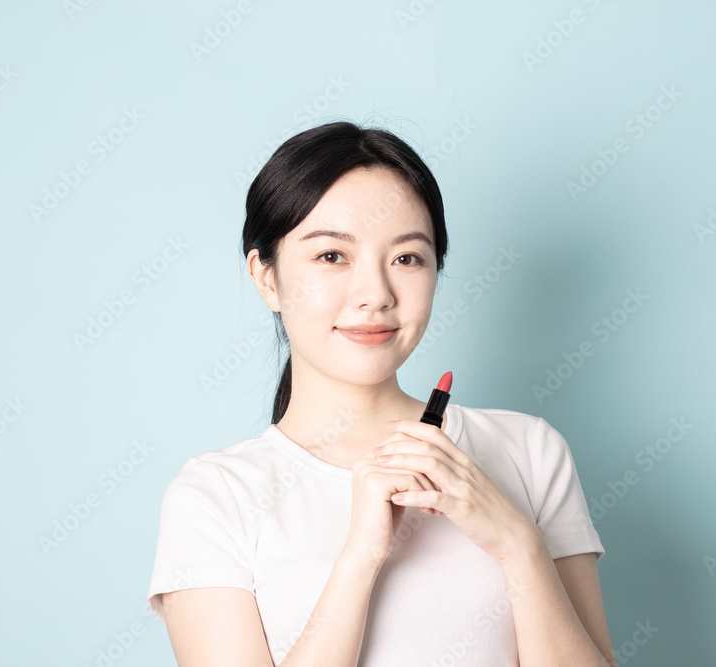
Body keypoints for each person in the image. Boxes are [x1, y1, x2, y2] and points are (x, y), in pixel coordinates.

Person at [147, 120, 617, 666]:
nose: (374, 294)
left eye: (406, 258)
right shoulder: (214, 498)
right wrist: (361, 557)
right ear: (266, 277)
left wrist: (518, 542)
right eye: (331, 256)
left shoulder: (529, 451)